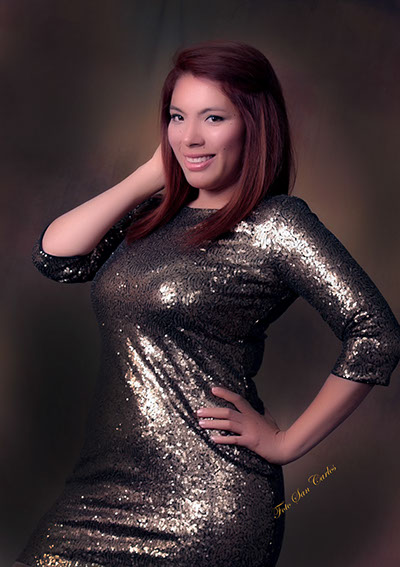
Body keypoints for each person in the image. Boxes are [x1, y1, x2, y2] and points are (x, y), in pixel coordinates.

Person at [14, 40, 400, 567]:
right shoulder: (150, 214)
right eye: (178, 117)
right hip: (96, 491)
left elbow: (376, 334)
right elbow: (55, 258)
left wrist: (286, 444)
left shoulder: (276, 225)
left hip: (209, 504)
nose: (190, 136)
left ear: (253, 126)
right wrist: (151, 174)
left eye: (213, 118)